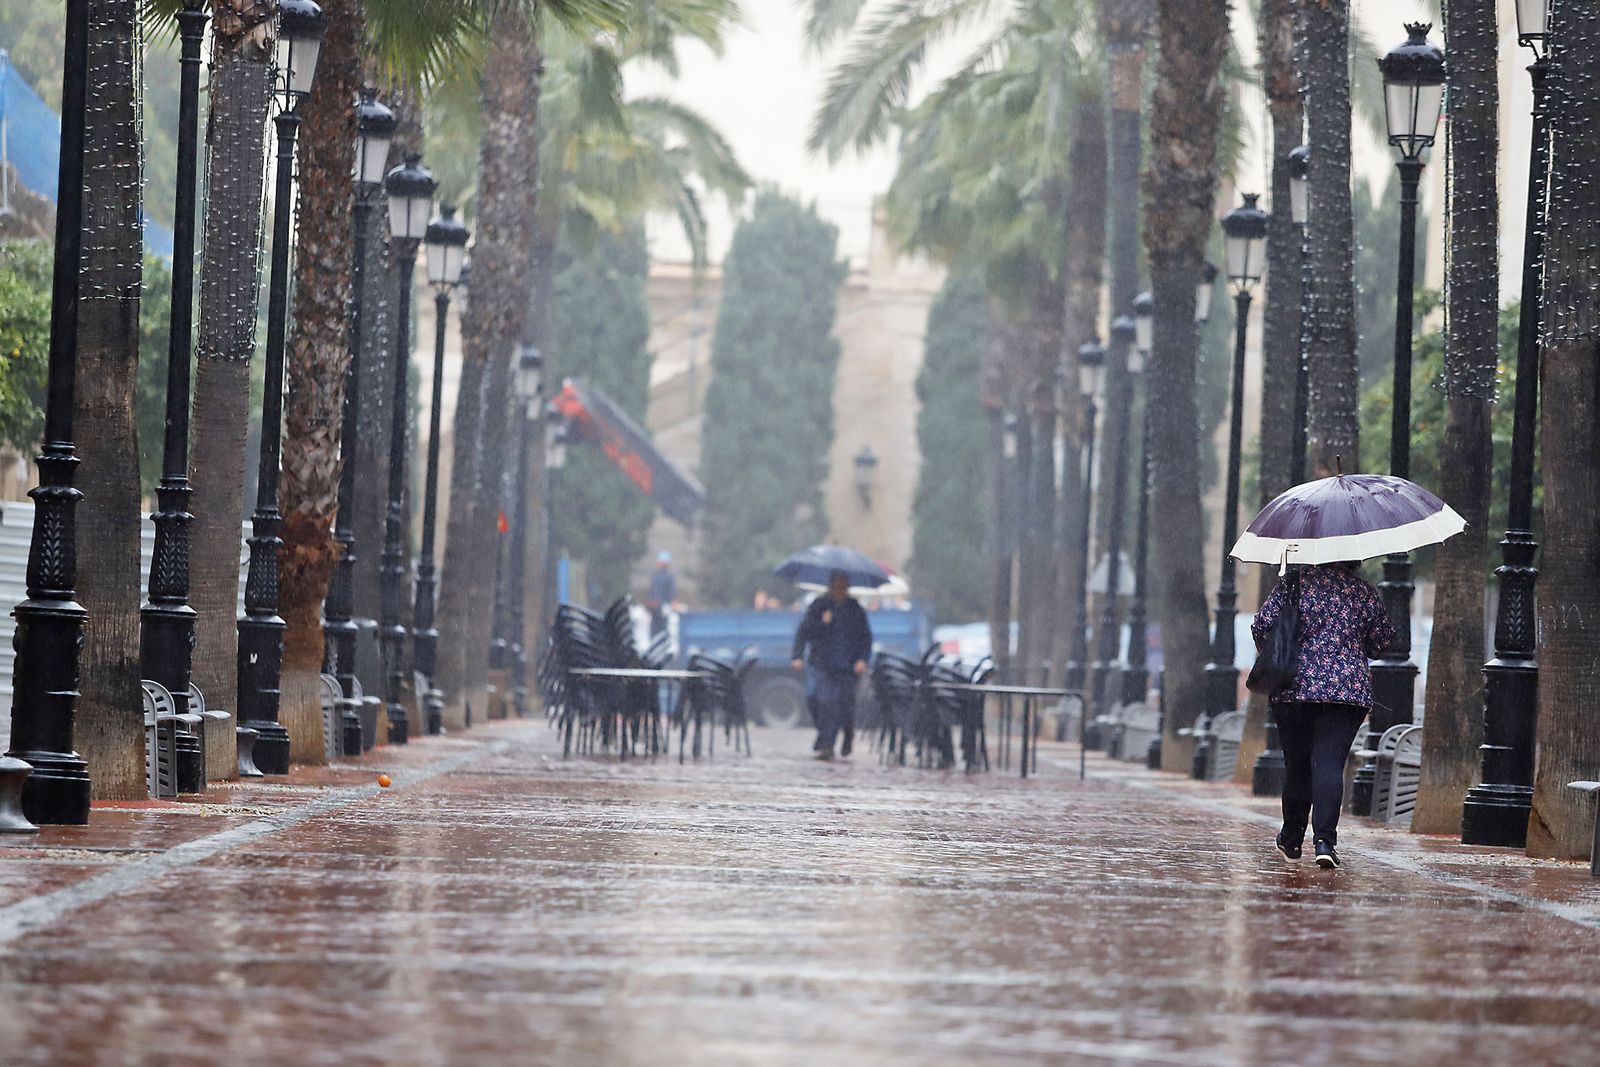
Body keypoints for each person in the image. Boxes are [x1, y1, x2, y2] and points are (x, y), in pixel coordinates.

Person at [1251, 559, 1396, 870]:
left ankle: (1291, 837)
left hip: (1295, 689)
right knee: (1330, 763)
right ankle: (1325, 841)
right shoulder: (1362, 592)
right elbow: (1382, 641)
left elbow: (1261, 628)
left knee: (1298, 765)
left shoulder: (1292, 585)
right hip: (1346, 693)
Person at [791, 571, 872, 760]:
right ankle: (827, 742)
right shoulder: (820, 605)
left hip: (848, 666)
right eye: (837, 584)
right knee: (821, 701)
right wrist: (822, 624)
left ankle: (846, 734)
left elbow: (865, 637)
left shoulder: (855, 608)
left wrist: (862, 659)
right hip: (823, 663)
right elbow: (804, 632)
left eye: (843, 584)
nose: (840, 588)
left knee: (845, 705)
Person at [646, 550, 676, 640]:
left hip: (663, 609)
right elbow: (652, 591)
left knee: (662, 631)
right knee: (654, 631)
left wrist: (668, 605)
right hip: (655, 608)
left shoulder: (669, 576)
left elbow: (671, 592)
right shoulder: (655, 576)